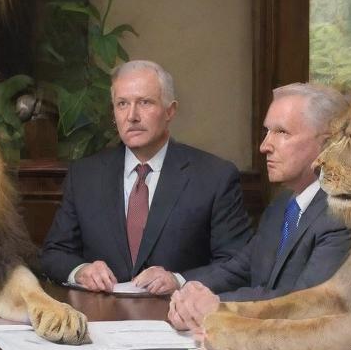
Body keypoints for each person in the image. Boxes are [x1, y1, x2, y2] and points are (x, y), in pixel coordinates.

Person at [39, 60, 252, 294]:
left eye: (145, 103)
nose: (132, 116)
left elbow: (236, 264)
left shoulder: (214, 177)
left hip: (177, 321)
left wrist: (178, 280)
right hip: (100, 320)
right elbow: (54, 253)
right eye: (122, 104)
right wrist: (80, 270)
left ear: (170, 111)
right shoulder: (84, 176)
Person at [168, 82, 351, 332]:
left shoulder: (341, 213)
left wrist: (215, 304)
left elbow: (304, 301)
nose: (265, 146)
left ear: (327, 144)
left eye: (282, 133)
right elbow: (239, 269)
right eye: (267, 132)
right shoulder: (280, 207)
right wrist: (180, 283)